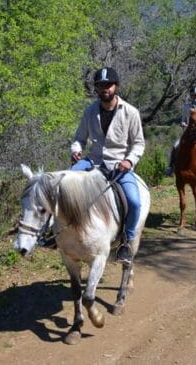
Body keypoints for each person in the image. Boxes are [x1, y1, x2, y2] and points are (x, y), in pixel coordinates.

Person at [70, 67, 145, 265]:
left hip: (119, 164)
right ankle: (55, 232)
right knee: (66, 182)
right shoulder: (89, 111)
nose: (105, 89)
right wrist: (75, 149)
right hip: (93, 160)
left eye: (108, 85)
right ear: (97, 88)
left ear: (116, 87)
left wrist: (129, 160)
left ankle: (126, 243)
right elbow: (79, 138)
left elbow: (138, 143)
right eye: (101, 85)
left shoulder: (130, 112)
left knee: (135, 202)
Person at [163, 86, 196, 182]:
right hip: (188, 133)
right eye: (193, 95)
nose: (194, 97)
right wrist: (183, 123)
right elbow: (184, 119)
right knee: (175, 146)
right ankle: (171, 167)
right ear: (191, 96)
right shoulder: (187, 106)